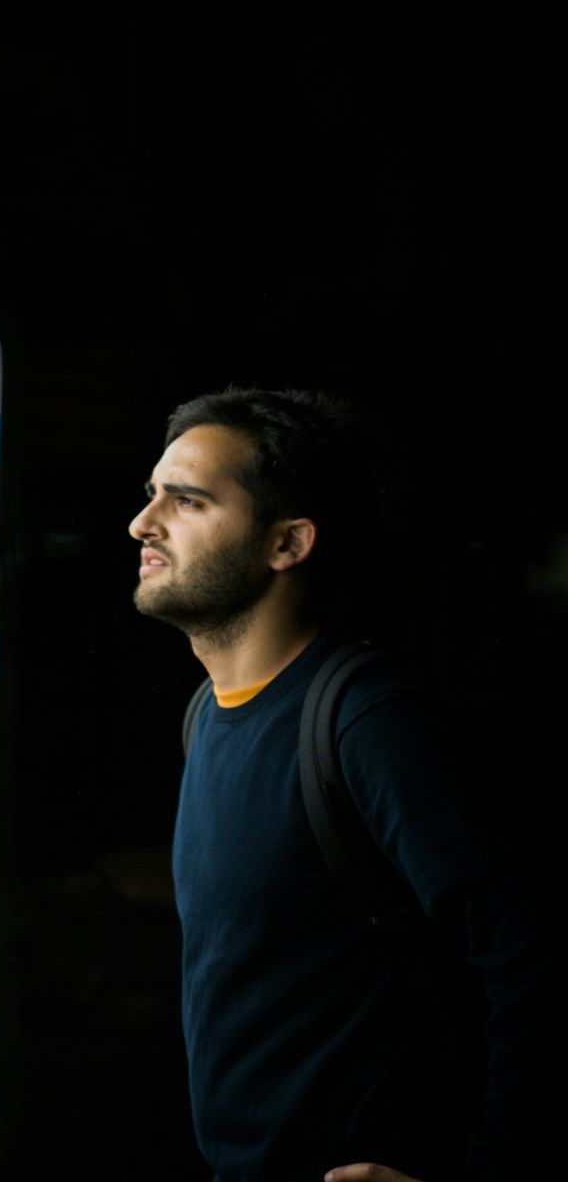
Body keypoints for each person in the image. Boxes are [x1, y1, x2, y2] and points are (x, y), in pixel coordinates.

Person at [128, 388, 550, 1182]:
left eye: (186, 501)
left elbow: (531, 957)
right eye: (152, 495)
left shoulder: (366, 720)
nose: (142, 524)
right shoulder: (206, 713)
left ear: (287, 542)